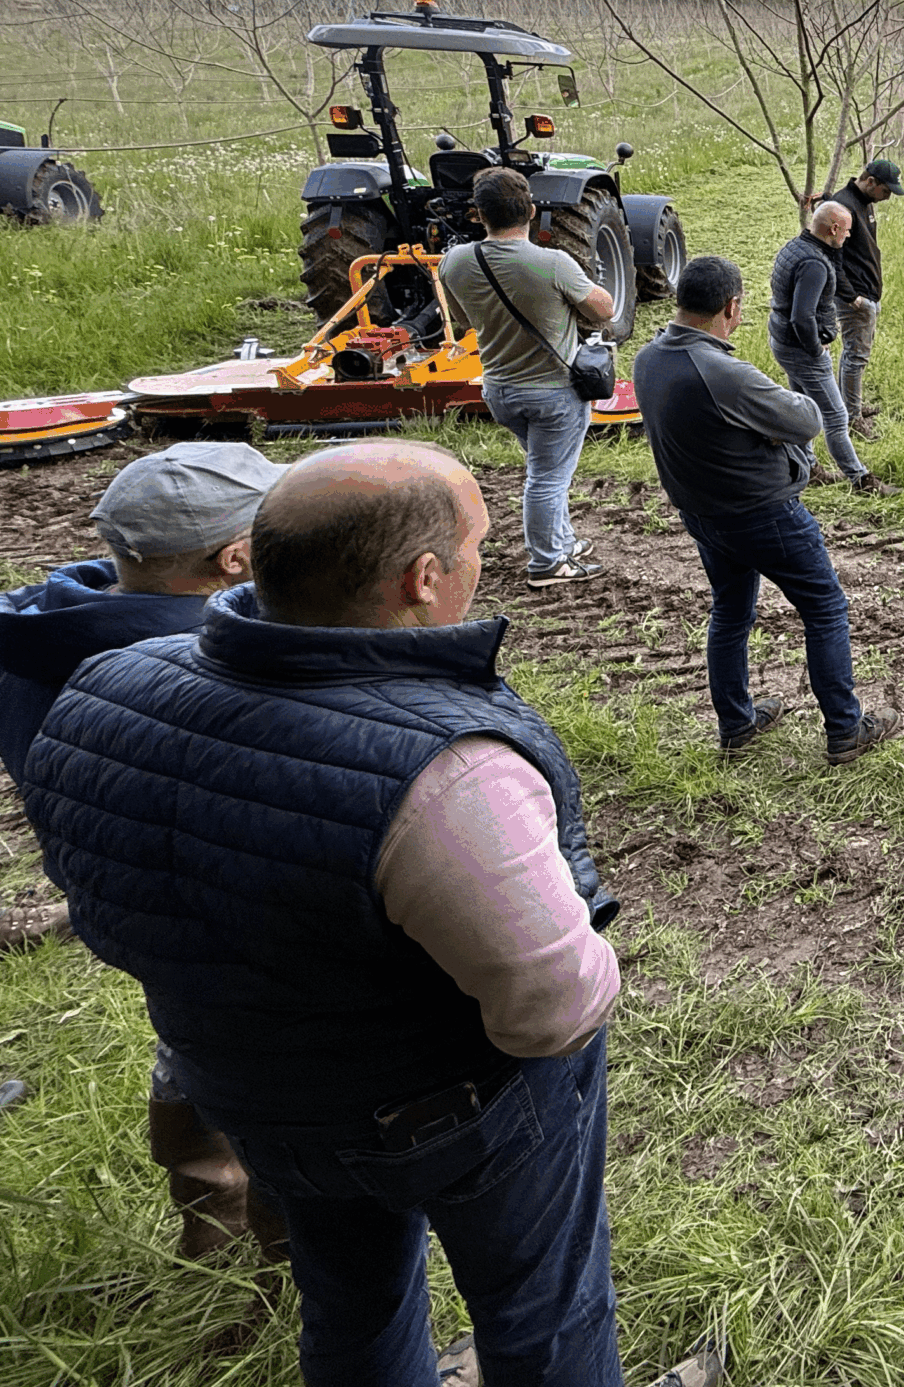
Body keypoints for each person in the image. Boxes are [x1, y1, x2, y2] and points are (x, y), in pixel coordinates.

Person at [17, 443, 683, 1386]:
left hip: (250, 1089)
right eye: (477, 545)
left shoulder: (104, 690)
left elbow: (101, 890)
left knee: (350, 1309)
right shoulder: (447, 772)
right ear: (422, 579)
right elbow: (553, 1009)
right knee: (543, 1309)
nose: (482, 564)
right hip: (445, 1111)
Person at [0, 443, 288, 1261]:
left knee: (184, 1040)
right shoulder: (205, 669)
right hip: (223, 913)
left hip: (123, 905)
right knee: (267, 1084)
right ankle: (283, 1250)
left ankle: (210, 1228)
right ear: (237, 558)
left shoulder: (49, 630)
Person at [634, 256, 902, 764]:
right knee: (825, 608)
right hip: (760, 513)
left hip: (704, 515)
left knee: (731, 612)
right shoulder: (723, 370)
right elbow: (805, 420)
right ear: (731, 307)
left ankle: (737, 724)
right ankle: (846, 730)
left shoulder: (648, 358)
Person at [442, 166, 615, 588]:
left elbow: (463, 319)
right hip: (553, 393)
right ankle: (548, 562)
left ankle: (564, 541)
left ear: (478, 214)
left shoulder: (455, 261)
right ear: (532, 211)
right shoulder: (553, 263)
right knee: (546, 479)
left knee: (545, 469)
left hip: (499, 390)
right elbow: (605, 309)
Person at [768, 202, 889, 494]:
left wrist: (835, 251)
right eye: (846, 231)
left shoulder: (798, 247)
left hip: (782, 340)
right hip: (802, 349)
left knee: (802, 409)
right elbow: (802, 316)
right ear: (834, 228)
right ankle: (861, 480)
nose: (848, 237)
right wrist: (816, 350)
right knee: (836, 417)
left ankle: (808, 469)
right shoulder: (814, 264)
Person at [823, 156, 903, 433]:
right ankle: (853, 418)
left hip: (868, 291)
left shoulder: (865, 203)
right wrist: (851, 296)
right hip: (855, 295)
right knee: (855, 355)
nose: (888, 197)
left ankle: (850, 405)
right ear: (871, 182)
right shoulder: (843, 205)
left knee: (856, 354)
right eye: (886, 191)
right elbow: (832, 256)